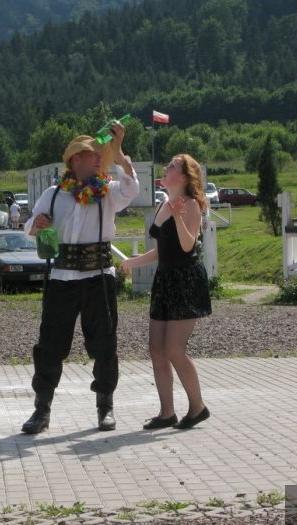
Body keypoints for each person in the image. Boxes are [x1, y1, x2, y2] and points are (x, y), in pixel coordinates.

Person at [21, 122, 139, 434]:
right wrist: (36, 224)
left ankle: (105, 407)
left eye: (102, 155)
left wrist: (120, 152)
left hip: (98, 277)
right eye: (93, 155)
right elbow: (29, 226)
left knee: (104, 343)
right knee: (50, 345)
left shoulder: (107, 191)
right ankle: (41, 410)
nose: (100, 158)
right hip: (61, 278)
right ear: (76, 159)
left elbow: (131, 189)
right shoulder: (53, 194)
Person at [121, 154, 211, 430]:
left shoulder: (191, 205)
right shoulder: (163, 204)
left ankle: (198, 407)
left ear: (183, 176)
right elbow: (162, 251)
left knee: (174, 349)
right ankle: (166, 413)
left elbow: (187, 246)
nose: (165, 168)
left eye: (172, 166)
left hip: (185, 280)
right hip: (164, 280)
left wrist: (178, 217)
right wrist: (132, 263)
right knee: (156, 349)